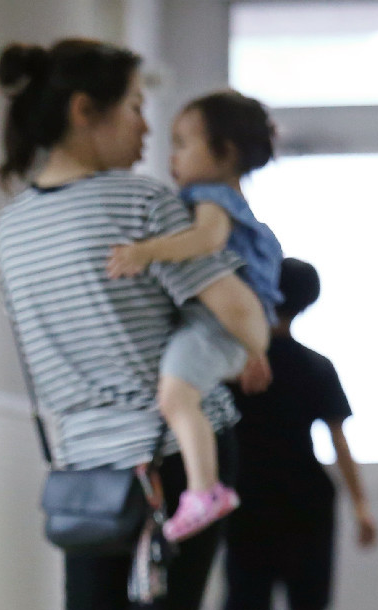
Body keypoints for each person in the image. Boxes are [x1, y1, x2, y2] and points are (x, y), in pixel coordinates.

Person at [0, 38, 270, 610]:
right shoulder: (142, 204)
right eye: (136, 108)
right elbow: (241, 314)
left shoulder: (13, 224)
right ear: (86, 112)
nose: (149, 128)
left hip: (85, 469)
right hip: (168, 463)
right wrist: (251, 334)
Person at [105, 89, 284, 543]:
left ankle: (205, 490)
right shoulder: (225, 197)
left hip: (214, 324)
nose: (172, 157)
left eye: (183, 144)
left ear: (225, 153)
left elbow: (206, 241)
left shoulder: (212, 198)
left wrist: (145, 251)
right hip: (227, 326)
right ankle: (205, 489)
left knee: (175, 398)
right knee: (182, 396)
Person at [225, 258, 378, 610]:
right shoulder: (314, 365)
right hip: (303, 503)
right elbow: (339, 443)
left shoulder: (232, 363)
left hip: (248, 501)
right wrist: (360, 505)